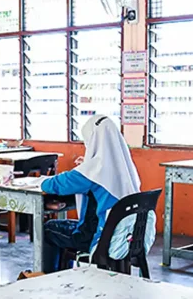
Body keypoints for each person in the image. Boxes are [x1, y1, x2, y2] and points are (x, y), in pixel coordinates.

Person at [38, 114, 141, 273]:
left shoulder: (92, 171)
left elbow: (54, 185)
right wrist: (86, 166)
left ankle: (50, 277)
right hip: (125, 237)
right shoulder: (127, 169)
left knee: (49, 229)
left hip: (98, 238)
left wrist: (82, 168)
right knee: (62, 226)